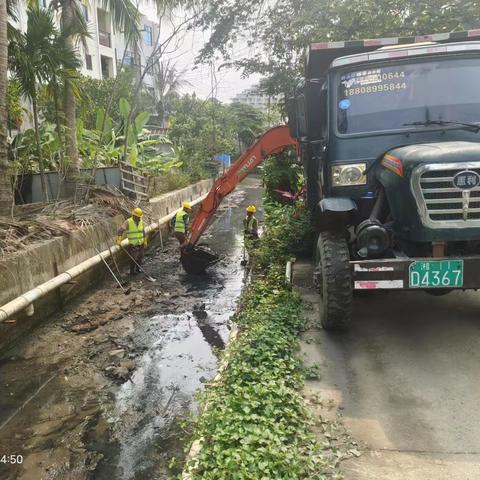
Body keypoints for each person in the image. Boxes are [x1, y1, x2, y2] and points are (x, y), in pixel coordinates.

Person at [116, 207, 147, 275]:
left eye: (140, 217)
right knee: (133, 258)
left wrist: (145, 240)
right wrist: (119, 239)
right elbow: (120, 230)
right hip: (133, 245)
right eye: (138, 217)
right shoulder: (128, 222)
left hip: (141, 243)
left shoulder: (141, 221)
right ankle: (132, 271)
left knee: (140, 257)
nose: (139, 218)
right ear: (134, 216)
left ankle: (138, 269)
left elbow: (143, 231)